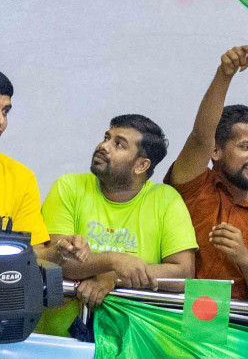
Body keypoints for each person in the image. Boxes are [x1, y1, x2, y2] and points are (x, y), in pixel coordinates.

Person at [40, 114, 198, 334]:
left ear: (141, 165)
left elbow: (182, 273)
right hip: (61, 338)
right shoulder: (68, 187)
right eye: (106, 137)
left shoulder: (166, 199)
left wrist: (115, 278)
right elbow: (58, 261)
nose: (103, 146)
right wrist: (113, 261)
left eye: (118, 144)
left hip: (133, 343)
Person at [164, 46, 248, 302]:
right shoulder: (194, 185)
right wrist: (224, 75)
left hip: (237, 332)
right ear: (216, 151)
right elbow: (200, 137)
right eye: (245, 146)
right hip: (171, 322)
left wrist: (244, 258)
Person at [0, 65, 85, 267]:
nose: (0, 120)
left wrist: (61, 251)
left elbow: (32, 254)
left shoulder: (20, 178)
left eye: (5, 111)